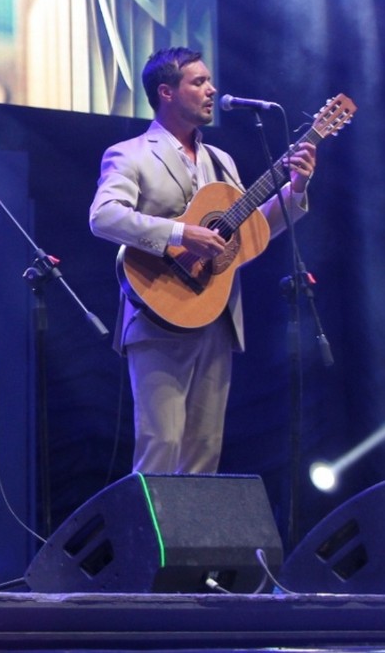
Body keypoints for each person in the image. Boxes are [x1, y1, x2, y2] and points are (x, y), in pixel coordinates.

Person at [89, 47, 316, 473]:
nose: (212, 90)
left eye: (210, 81)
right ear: (166, 92)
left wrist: (296, 187)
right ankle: (146, 541)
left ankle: (192, 543)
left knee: (204, 451)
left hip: (216, 313)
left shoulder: (221, 161)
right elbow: (104, 217)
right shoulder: (131, 153)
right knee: (161, 444)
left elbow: (249, 232)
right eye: (199, 82)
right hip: (158, 310)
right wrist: (180, 233)